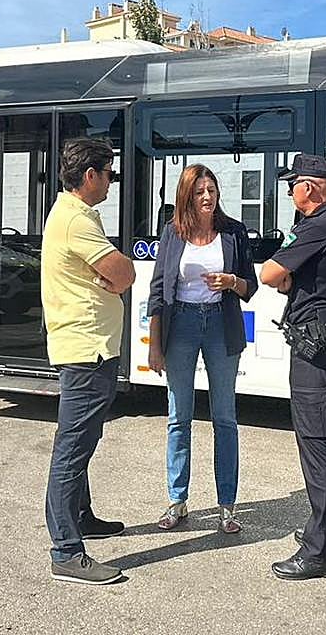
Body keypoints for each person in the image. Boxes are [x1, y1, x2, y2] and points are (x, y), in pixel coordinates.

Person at [42, 137, 136, 585]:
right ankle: (65, 550)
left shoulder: (75, 216)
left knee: (83, 439)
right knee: (72, 447)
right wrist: (115, 279)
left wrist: (111, 279)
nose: (112, 182)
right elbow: (126, 273)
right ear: (90, 175)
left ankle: (81, 517)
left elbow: (114, 275)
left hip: (92, 345)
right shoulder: (76, 220)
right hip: (85, 348)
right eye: (109, 173)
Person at [146, 164, 259, 534]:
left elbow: (251, 287)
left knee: (224, 417)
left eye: (211, 189)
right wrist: (154, 344)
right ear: (187, 197)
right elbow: (158, 290)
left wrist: (232, 281)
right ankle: (177, 501)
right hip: (182, 325)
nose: (207, 197)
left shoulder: (233, 232)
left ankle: (227, 505)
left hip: (221, 325)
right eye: (199, 191)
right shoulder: (172, 233)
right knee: (179, 417)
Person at [259, 154, 326, 580]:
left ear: (310, 187)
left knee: (317, 444)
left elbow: (269, 274)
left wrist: (284, 274)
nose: (289, 192)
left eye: (292, 184)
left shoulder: (316, 226)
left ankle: (319, 551)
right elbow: (288, 278)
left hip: (316, 346)